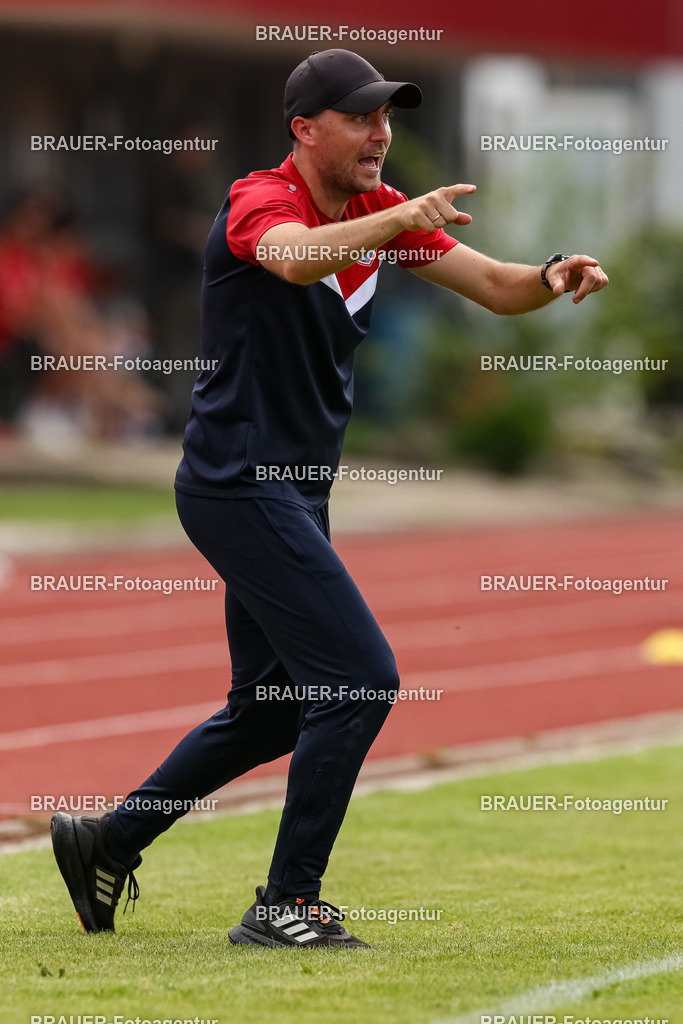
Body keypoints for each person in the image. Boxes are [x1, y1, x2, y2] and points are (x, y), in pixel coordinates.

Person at [51, 49, 608, 948]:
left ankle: (107, 842)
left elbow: (495, 286)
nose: (381, 134)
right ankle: (286, 905)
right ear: (304, 130)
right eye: (360, 118)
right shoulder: (260, 201)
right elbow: (295, 261)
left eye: (387, 117)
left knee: (271, 709)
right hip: (239, 483)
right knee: (359, 680)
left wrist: (547, 278)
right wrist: (390, 227)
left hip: (292, 494)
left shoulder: (381, 213)